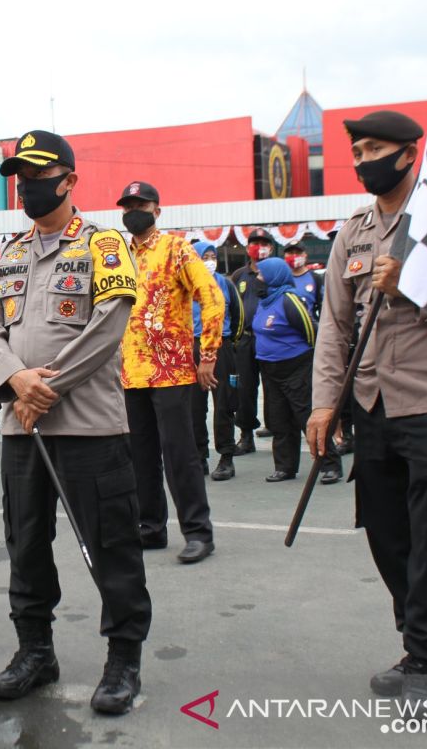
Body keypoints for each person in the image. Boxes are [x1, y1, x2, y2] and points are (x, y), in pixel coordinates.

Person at [0, 131, 151, 715]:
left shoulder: (103, 245)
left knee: (112, 548)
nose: (27, 185)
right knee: (25, 544)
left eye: (39, 174)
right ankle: (35, 650)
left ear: (69, 180)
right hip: (23, 431)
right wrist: (15, 383)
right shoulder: (7, 255)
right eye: (20, 176)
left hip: (90, 429)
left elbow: (108, 326)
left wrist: (42, 389)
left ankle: (123, 659)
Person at [308, 110, 427, 707]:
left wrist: (414, 282)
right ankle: (417, 632)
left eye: (375, 149)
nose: (362, 160)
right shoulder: (353, 230)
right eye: (357, 151)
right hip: (371, 402)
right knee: (384, 530)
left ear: (409, 154)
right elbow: (334, 323)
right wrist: (324, 404)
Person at [118, 181, 223, 564]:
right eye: (127, 205)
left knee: (180, 455)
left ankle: (198, 532)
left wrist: (208, 354)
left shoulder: (176, 248)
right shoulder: (119, 256)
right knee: (141, 457)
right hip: (130, 373)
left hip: (172, 371)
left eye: (140, 204)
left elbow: (212, 298)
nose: (133, 211)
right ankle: (151, 529)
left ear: (157, 210)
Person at [252, 258, 342, 483]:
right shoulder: (264, 301)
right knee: (279, 420)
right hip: (270, 370)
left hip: (295, 368)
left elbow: (312, 333)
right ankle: (285, 467)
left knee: (306, 417)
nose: (258, 279)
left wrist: (307, 364)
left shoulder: (289, 300)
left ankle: (330, 464)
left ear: (274, 276)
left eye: (262, 275)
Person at [189, 241, 244, 481]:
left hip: (221, 346)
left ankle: (226, 457)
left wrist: (230, 343)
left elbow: (239, 316)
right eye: (204, 256)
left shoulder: (226, 284)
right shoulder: (184, 285)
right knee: (194, 406)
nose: (209, 260)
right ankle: (199, 456)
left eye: (212, 256)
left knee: (224, 403)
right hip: (191, 345)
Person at [231, 228, 276, 454]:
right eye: (255, 243)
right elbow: (231, 305)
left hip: (270, 339)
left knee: (273, 386)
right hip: (245, 340)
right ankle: (246, 436)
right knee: (245, 389)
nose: (259, 247)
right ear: (248, 248)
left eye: (264, 243)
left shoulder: (276, 272)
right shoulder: (240, 275)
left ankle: (278, 432)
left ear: (272, 247)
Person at [284, 240, 324, 316]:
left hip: (307, 325)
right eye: (290, 253)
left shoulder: (315, 278)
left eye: (298, 253)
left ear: (305, 255)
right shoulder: (280, 277)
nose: (294, 256)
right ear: (285, 256)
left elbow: (323, 306)